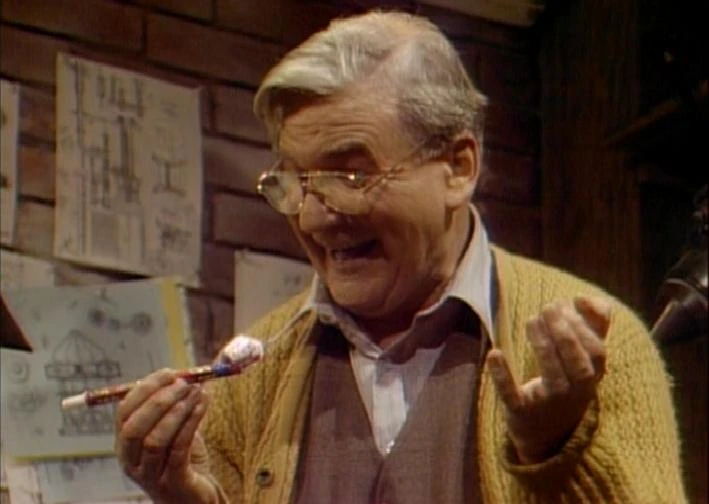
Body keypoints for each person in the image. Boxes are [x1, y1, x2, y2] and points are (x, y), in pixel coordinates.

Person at [114, 11, 687, 504]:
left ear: (458, 167)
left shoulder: (593, 354)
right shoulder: (251, 379)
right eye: (292, 182)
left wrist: (558, 449)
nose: (312, 218)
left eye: (351, 175)